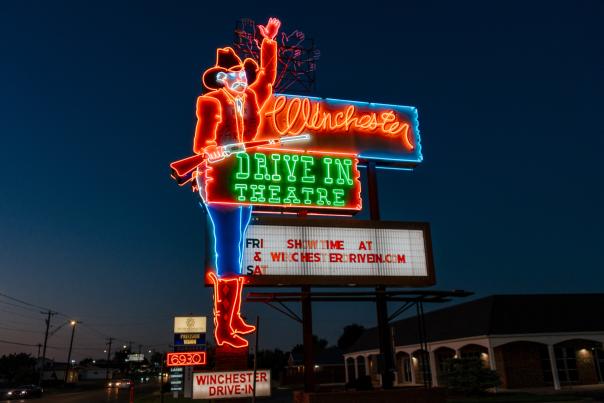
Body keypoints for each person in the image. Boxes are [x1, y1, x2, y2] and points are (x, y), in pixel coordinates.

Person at [193, 18, 281, 348]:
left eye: (243, 75)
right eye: (234, 77)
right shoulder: (211, 102)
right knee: (228, 245)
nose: (242, 80)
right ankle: (223, 327)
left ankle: (235, 315)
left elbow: (267, 77)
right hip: (219, 177)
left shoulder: (252, 97)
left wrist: (268, 42)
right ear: (222, 79)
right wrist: (209, 148)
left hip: (244, 176)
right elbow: (204, 136)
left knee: (240, 243)